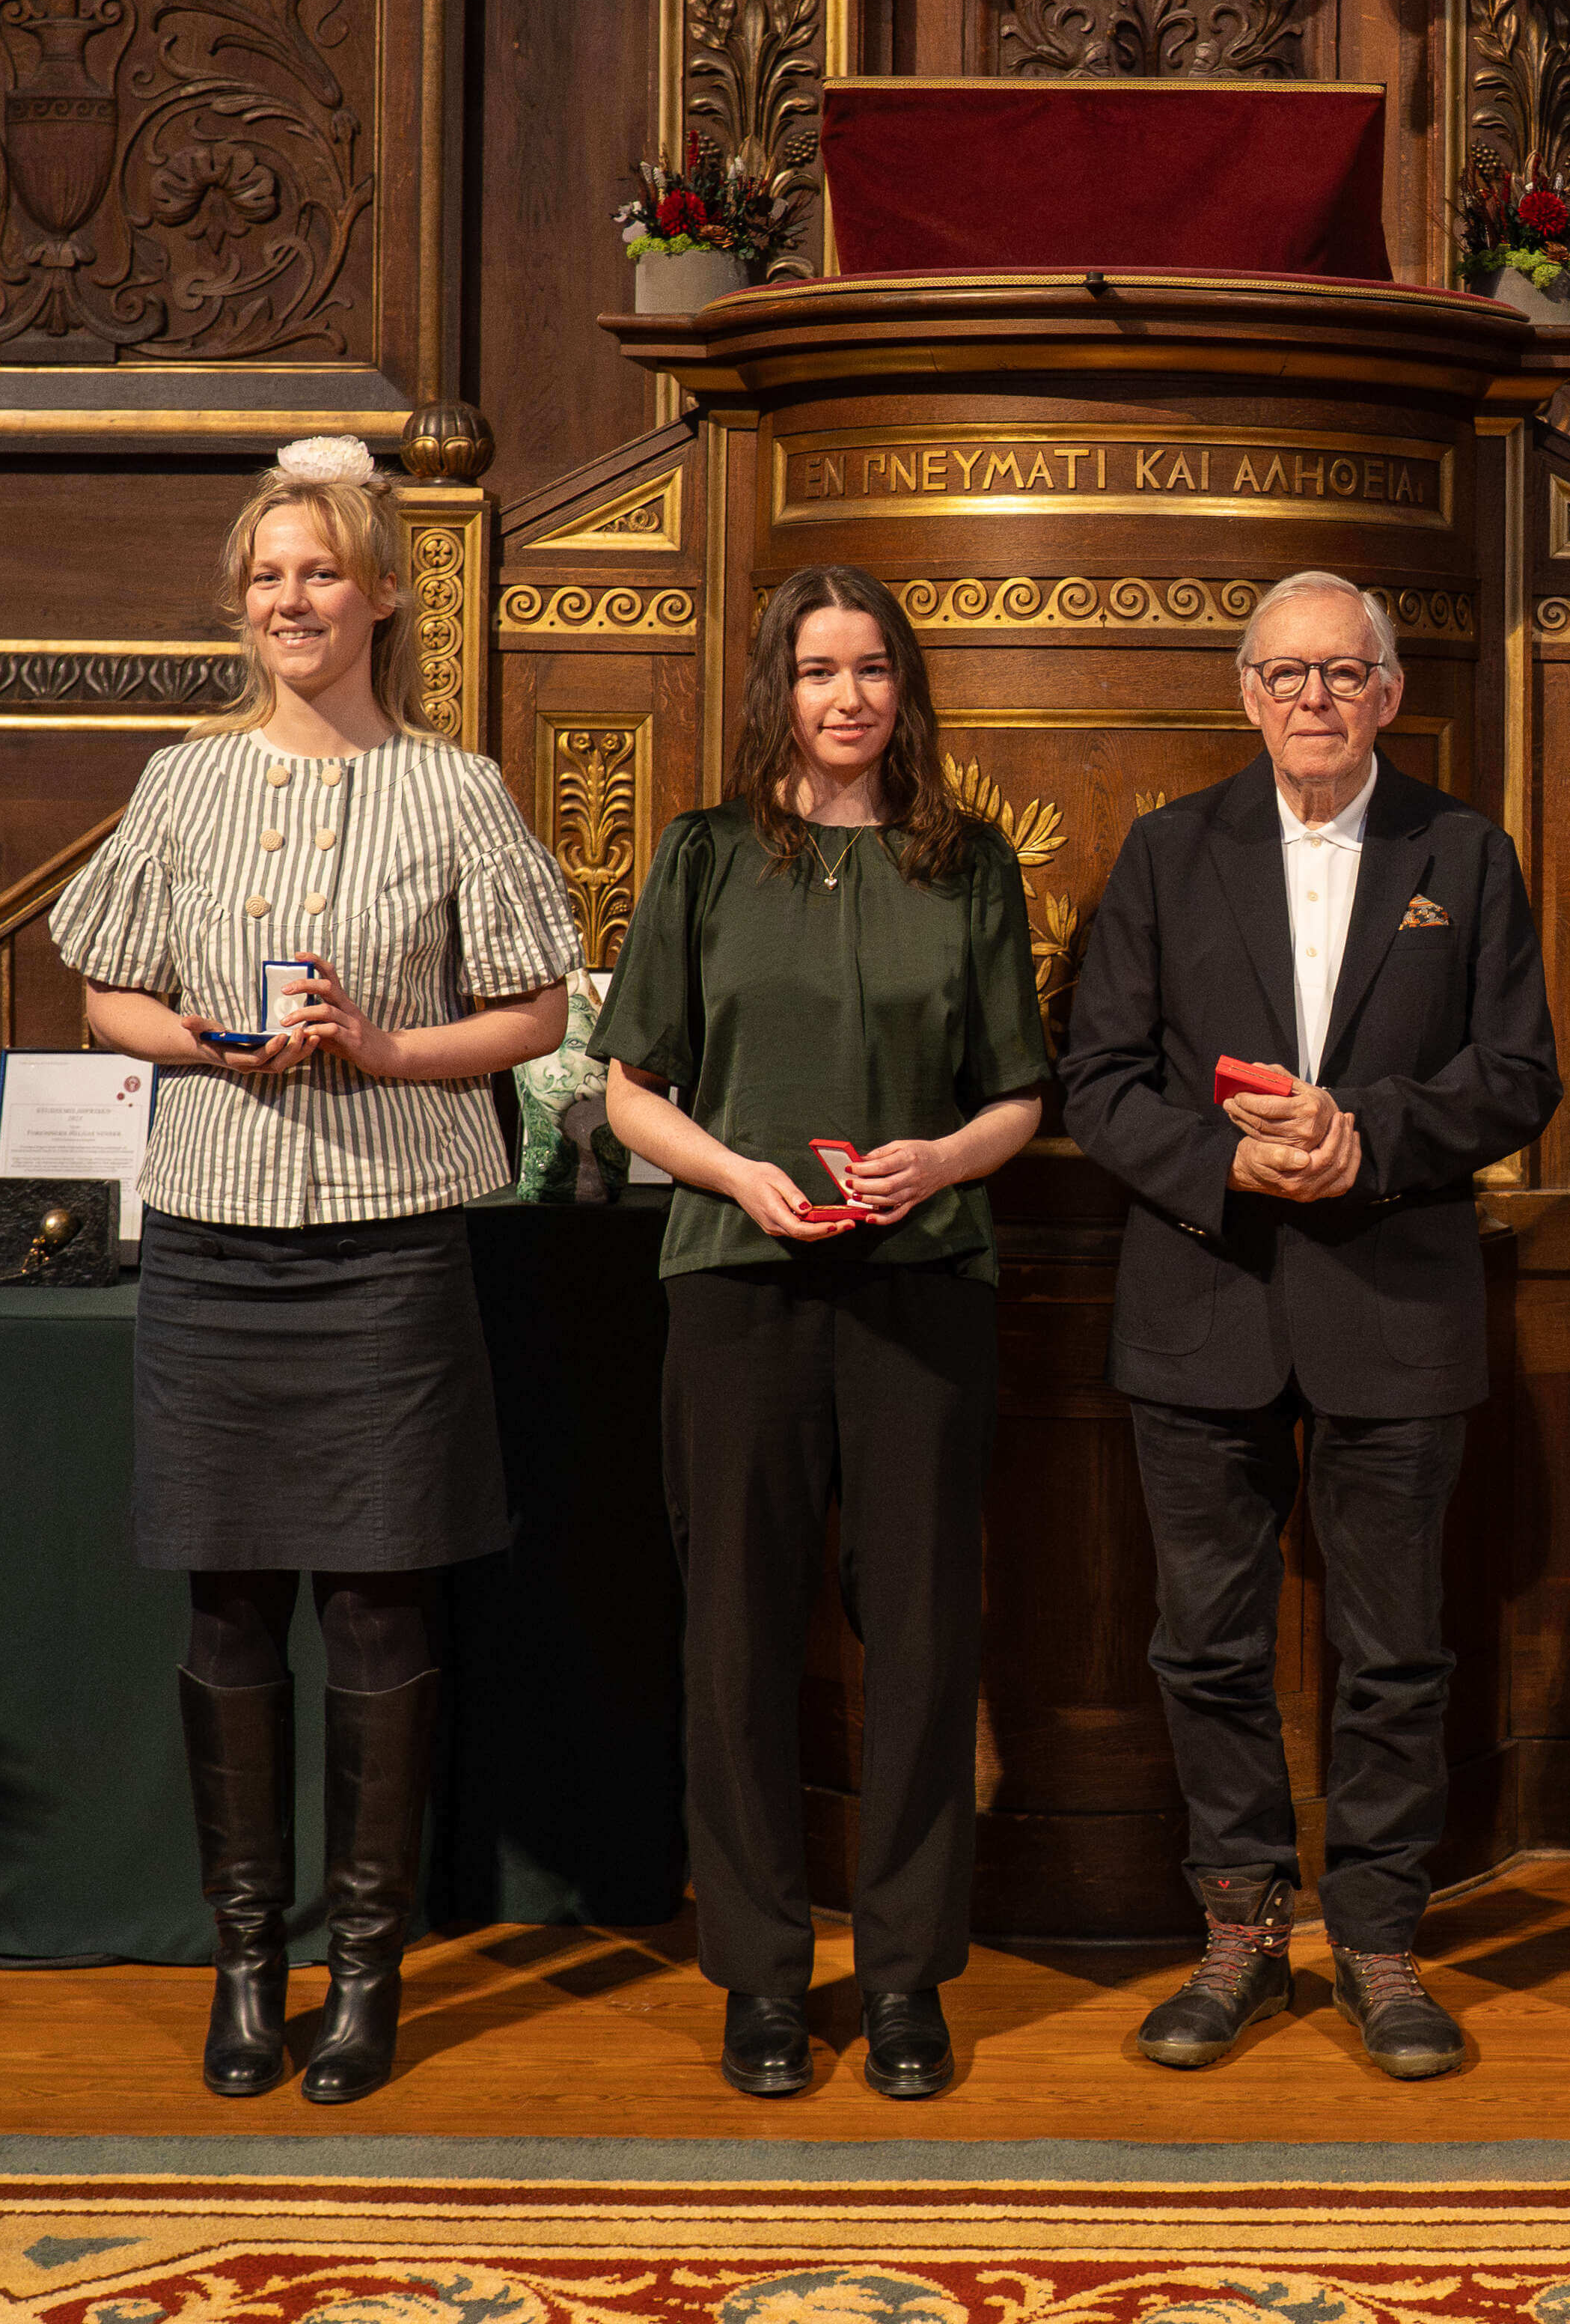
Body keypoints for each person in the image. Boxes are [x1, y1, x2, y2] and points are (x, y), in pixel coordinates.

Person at [47, 436, 579, 2105]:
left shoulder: (455, 789)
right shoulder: (182, 781)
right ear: (242, 603)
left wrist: (386, 1045)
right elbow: (106, 996)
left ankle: (364, 1969)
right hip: (213, 1241)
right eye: (267, 575)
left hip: (384, 1249)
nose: (291, 599)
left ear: (382, 596)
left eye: (319, 572)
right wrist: (211, 1038)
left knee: (375, 1599)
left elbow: (537, 1014)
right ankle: (244, 1961)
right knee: (225, 1599)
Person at [1060, 568, 1557, 2081]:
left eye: (1344, 673)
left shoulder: (1463, 852)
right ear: (1246, 694)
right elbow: (1097, 1080)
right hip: (1202, 1296)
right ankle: (1238, 1930)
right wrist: (1225, 1164)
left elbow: (1518, 1073)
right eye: (1287, 674)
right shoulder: (1166, 851)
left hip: (1393, 1300)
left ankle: (1381, 1941)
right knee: (1204, 1647)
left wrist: (1368, 1137)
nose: (1315, 699)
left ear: (1389, 694)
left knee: (1395, 1651)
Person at [594, 564, 1049, 2102]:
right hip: (737, 1278)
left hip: (924, 1282)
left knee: (921, 1635)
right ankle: (763, 1979)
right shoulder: (705, 854)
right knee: (735, 1633)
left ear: (905, 689)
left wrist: (940, 1159)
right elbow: (629, 1090)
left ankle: (907, 1977)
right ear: (774, 691)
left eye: (870, 668)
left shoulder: (967, 862)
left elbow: (1018, 1095)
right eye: (815, 669)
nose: (846, 696)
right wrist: (739, 1173)